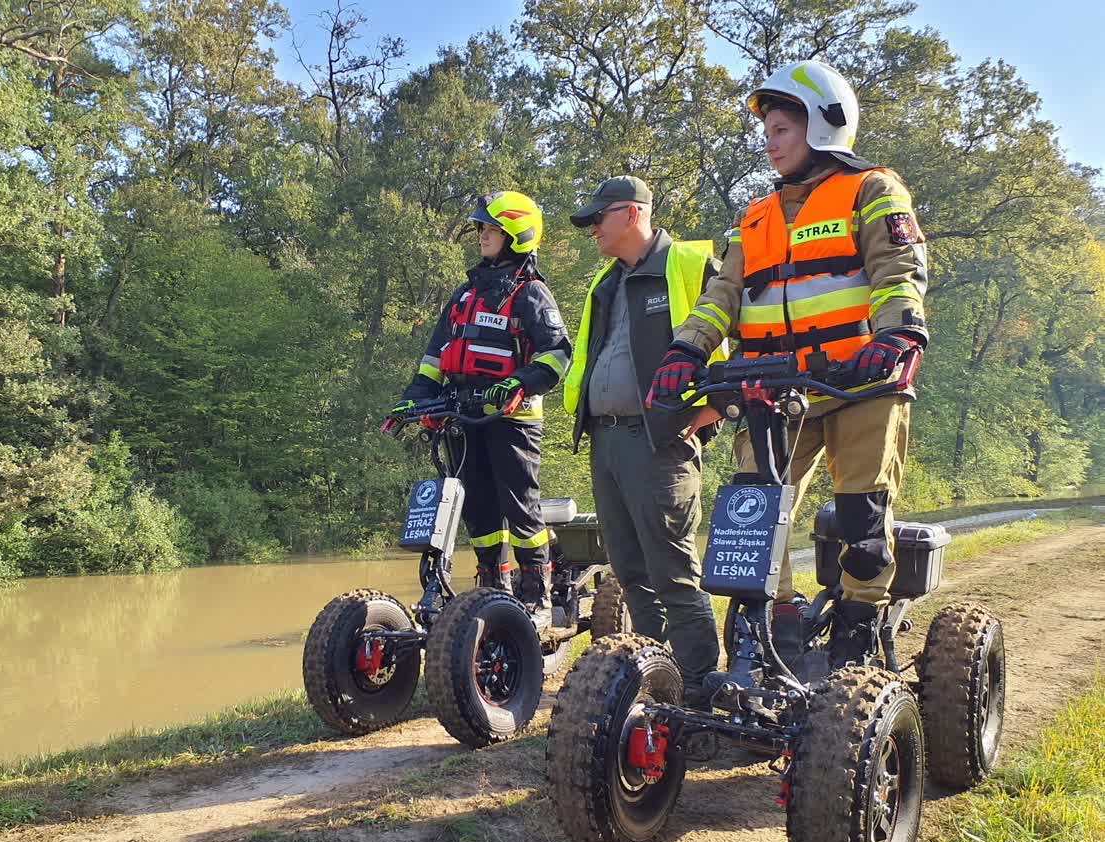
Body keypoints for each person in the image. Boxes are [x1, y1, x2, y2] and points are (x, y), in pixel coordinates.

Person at [651, 59, 930, 670]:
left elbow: (898, 271)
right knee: (751, 513)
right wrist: (685, 350)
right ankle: (768, 626)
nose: (770, 142)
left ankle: (859, 631)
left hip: (864, 378)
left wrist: (899, 332)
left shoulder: (872, 190)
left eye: (782, 128)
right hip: (777, 390)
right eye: (768, 131)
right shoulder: (754, 216)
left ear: (826, 123)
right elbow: (721, 295)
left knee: (862, 515)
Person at [564, 175, 727, 685]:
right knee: (631, 572)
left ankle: (699, 687)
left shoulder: (690, 266)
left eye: (600, 217)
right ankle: (652, 682)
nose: (593, 228)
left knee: (673, 574)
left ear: (632, 213)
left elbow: (746, 341)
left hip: (660, 443)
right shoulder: (605, 282)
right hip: (607, 441)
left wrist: (715, 410)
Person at [386, 190, 572, 628]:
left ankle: (536, 593)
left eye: (491, 229)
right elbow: (434, 358)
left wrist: (516, 384)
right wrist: (412, 399)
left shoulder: (532, 294)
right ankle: (492, 584)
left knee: (520, 504)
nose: (482, 235)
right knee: (480, 509)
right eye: (482, 228)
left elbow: (557, 355)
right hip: (463, 416)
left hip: (513, 419)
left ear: (516, 236)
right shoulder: (464, 294)